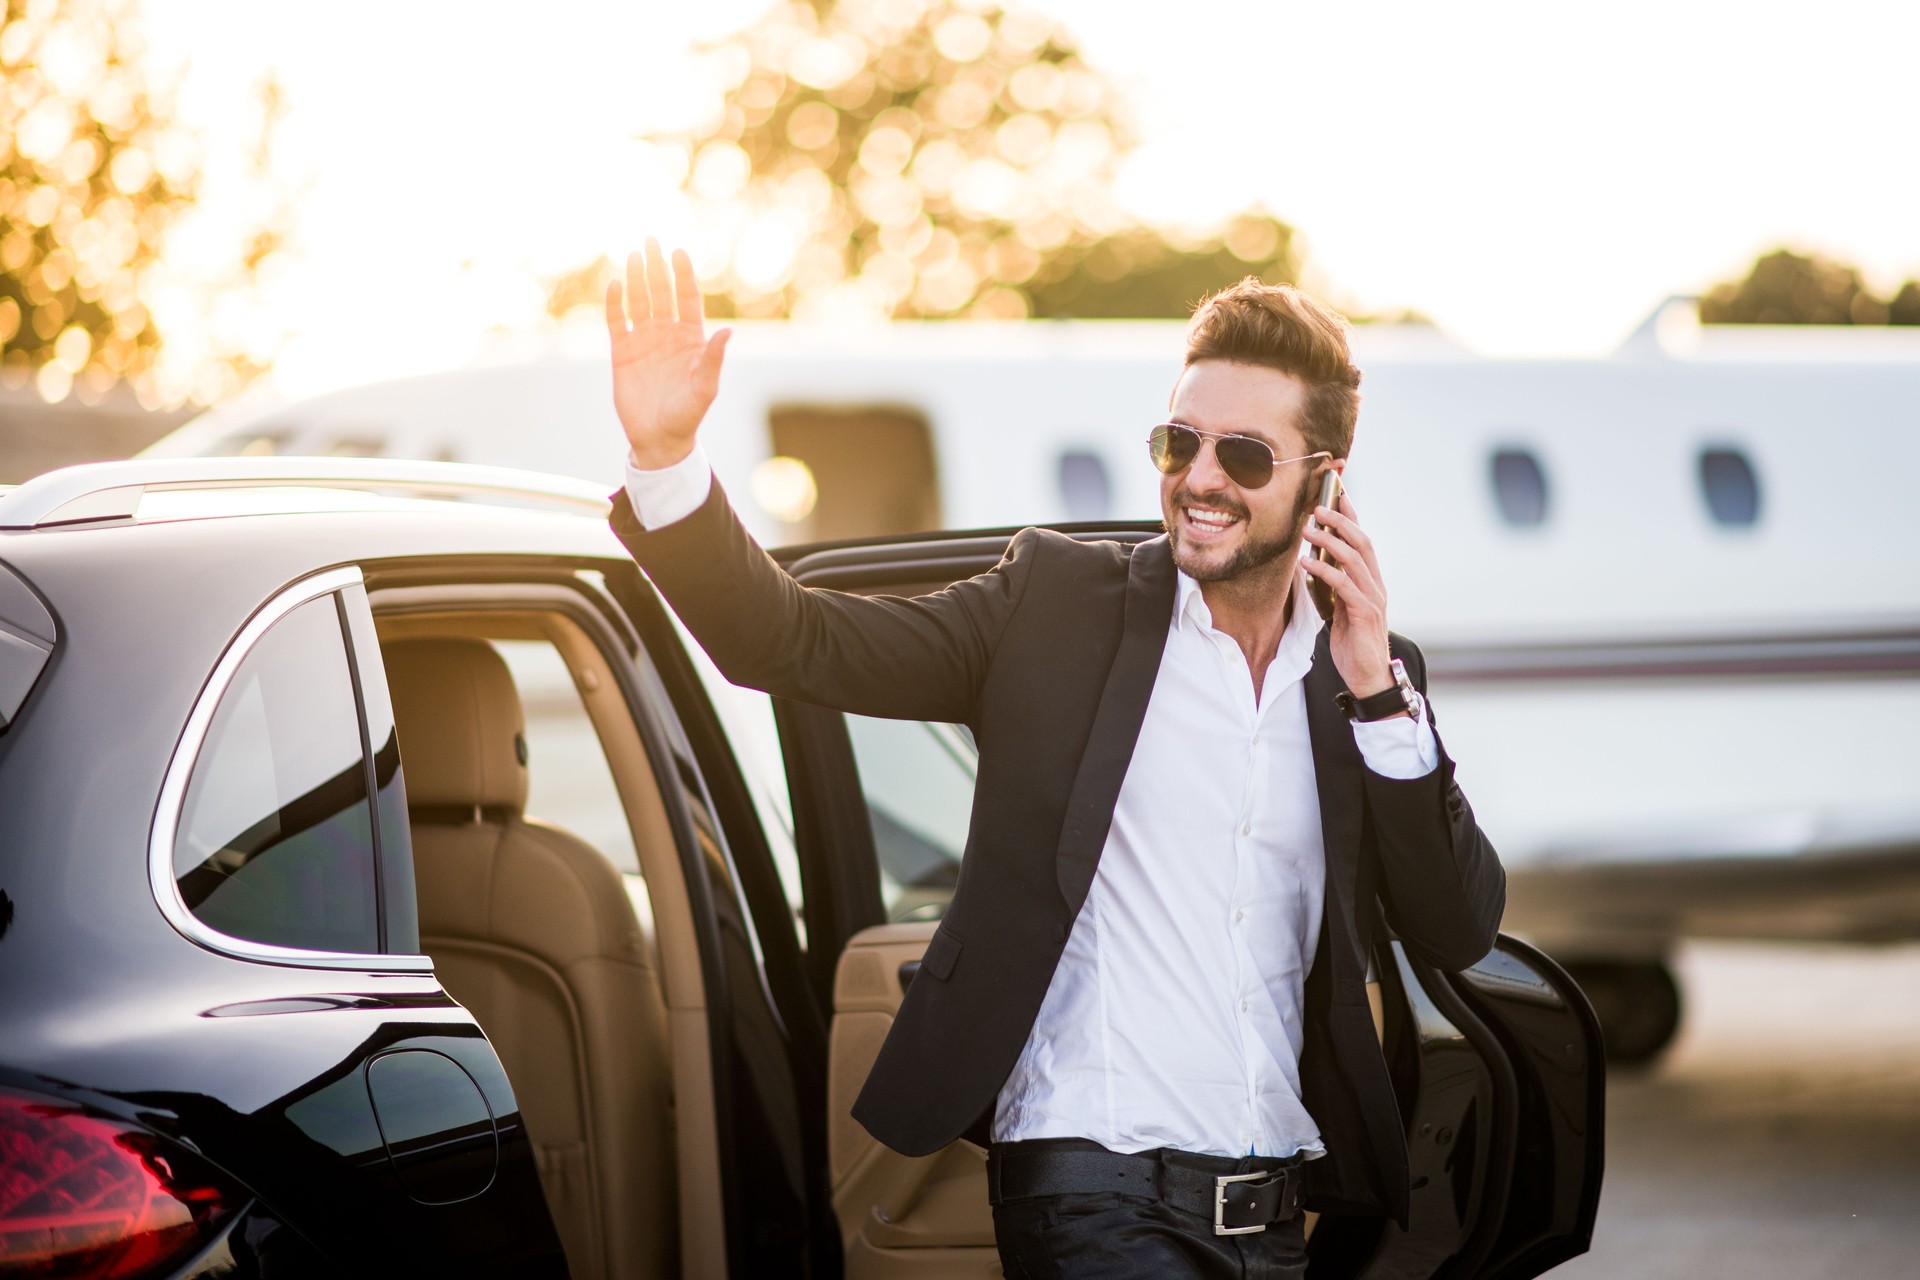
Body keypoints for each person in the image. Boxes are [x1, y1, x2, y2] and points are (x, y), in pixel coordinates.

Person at [604, 240, 1504, 1279]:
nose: (1200, 479)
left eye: (1244, 457)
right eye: (1180, 442)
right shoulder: (1055, 607)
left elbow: (1457, 920)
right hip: (1091, 1182)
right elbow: (795, 639)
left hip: (1276, 1208)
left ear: (1323, 482)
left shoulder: (1360, 677)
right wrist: (668, 460)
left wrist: (1378, 692)